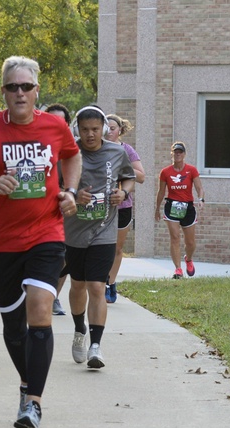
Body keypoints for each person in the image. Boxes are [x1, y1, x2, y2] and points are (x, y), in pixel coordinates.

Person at [0, 56, 82, 428]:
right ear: (4, 92)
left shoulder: (55, 127)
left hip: (46, 233)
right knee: (13, 326)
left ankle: (34, 404)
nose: (20, 93)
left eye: (27, 86)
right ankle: (27, 387)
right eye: (13, 87)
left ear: (37, 90)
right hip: (2, 241)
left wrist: (70, 191)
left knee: (40, 310)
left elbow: (72, 156)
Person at [64, 106, 135, 369]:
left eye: (95, 129)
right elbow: (56, 186)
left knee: (96, 286)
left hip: (105, 228)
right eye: (85, 130)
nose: (90, 135)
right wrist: (72, 194)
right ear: (77, 130)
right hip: (74, 230)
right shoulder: (69, 152)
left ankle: (96, 346)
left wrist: (123, 193)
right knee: (78, 285)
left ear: (104, 129)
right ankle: (79, 329)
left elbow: (128, 178)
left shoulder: (117, 152)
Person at [104, 113, 145, 302]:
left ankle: (110, 284)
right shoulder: (98, 148)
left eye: (113, 128)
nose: (109, 131)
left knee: (117, 248)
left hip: (123, 205)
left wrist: (121, 167)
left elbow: (141, 176)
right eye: (106, 128)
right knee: (101, 246)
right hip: (101, 205)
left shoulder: (127, 150)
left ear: (120, 130)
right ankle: (100, 281)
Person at [154, 141, 203, 279]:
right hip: (172, 207)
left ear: (184, 154)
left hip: (187, 207)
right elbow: (161, 191)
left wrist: (201, 199)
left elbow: (199, 187)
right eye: (175, 152)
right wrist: (157, 208)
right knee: (175, 238)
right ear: (172, 154)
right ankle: (178, 269)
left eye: (180, 152)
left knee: (190, 242)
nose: (178, 154)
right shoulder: (165, 172)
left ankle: (188, 259)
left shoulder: (191, 170)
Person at [45, 102, 73, 316]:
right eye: (51, 119)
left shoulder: (73, 151)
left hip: (64, 212)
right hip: (36, 211)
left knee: (63, 256)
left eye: (60, 121)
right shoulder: (35, 146)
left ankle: (53, 296)